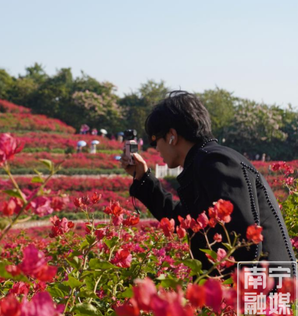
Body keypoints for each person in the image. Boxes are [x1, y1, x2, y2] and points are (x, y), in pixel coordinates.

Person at [121, 91, 295, 275]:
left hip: (263, 290)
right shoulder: (206, 161)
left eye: (155, 140)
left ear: (172, 135)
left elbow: (242, 240)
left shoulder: (215, 162)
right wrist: (143, 177)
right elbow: (185, 221)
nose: (156, 149)